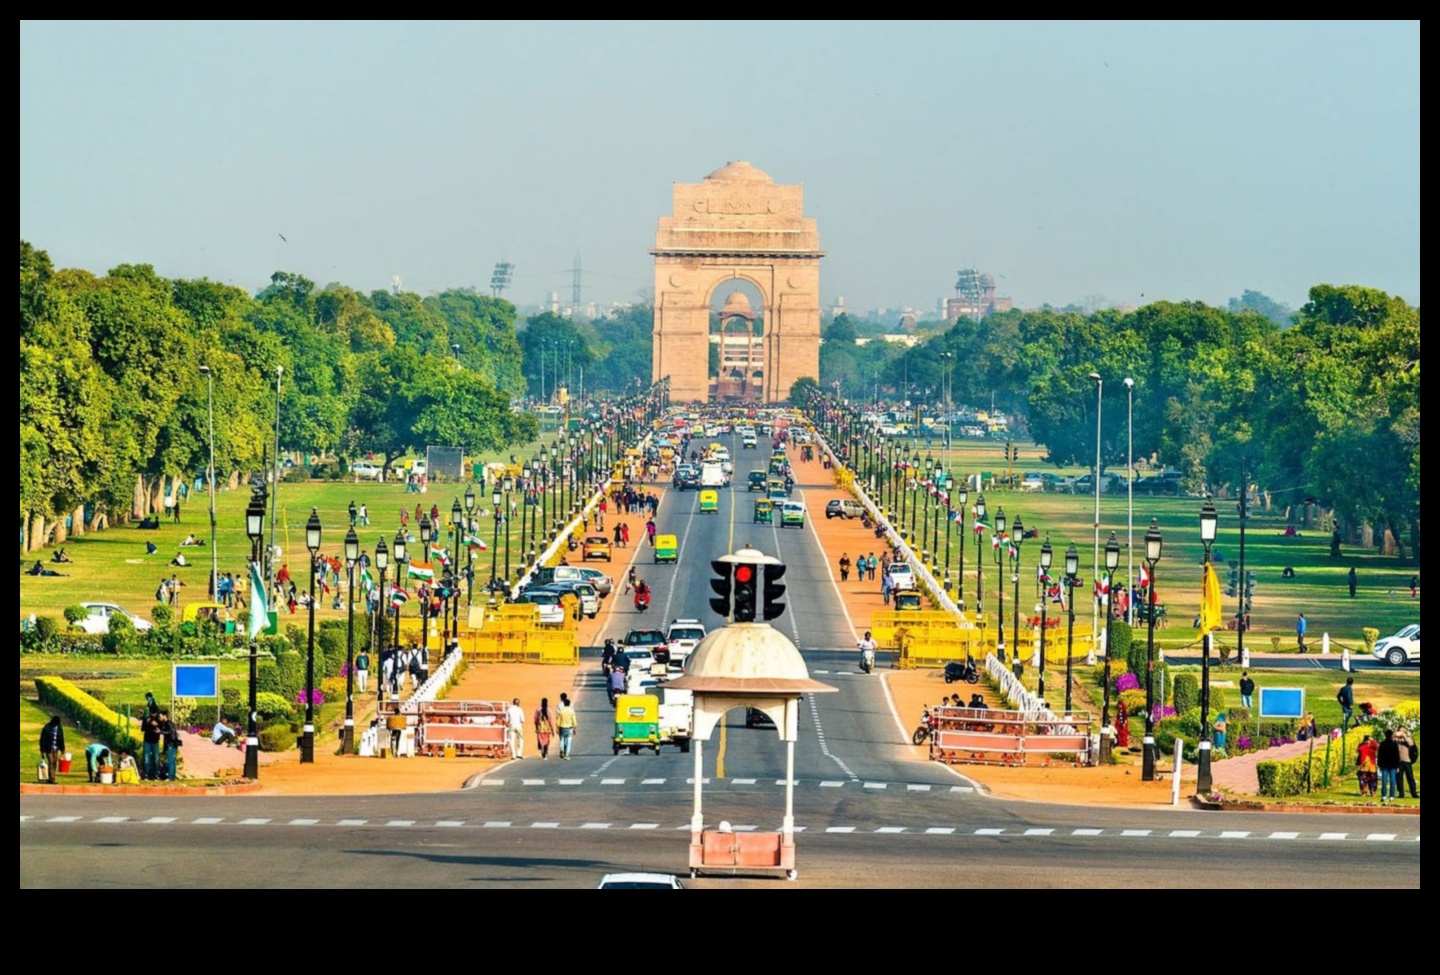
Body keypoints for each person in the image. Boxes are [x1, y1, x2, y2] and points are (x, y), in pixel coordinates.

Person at [1377, 729, 1401, 803]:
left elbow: (1379, 755)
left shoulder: (1382, 744)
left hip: (1384, 764)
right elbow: (1397, 756)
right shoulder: (1394, 744)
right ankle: (1391, 796)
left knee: (1384, 781)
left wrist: (1379, 765)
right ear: (1391, 735)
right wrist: (1398, 765)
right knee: (1392, 781)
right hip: (1393, 765)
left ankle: (1384, 796)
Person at [39, 715, 65, 783]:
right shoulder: (47, 728)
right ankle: (52, 778)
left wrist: (62, 748)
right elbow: (43, 739)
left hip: (56, 748)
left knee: (55, 762)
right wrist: (42, 750)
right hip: (48, 748)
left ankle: (51, 777)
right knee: (51, 762)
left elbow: (61, 738)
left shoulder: (59, 728)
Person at [1394, 728, 1419, 798]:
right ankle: (1401, 793)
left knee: (1410, 777)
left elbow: (1411, 744)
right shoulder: (1396, 740)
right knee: (1399, 778)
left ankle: (1414, 793)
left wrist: (1404, 735)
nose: (1401, 732)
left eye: (1402, 730)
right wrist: (1394, 735)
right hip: (1398, 762)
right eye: (1400, 730)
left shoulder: (1408, 738)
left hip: (1407, 761)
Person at [141, 709, 162, 781]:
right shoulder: (147, 719)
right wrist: (147, 722)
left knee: (156, 758)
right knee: (146, 758)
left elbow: (161, 727)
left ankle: (155, 774)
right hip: (147, 741)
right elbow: (143, 729)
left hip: (155, 741)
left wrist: (157, 724)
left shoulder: (159, 719)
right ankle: (146, 774)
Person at [555, 693, 578, 760]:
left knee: (562, 739)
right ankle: (566, 754)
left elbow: (557, 719)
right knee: (569, 741)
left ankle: (562, 750)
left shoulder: (561, 710)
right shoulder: (571, 711)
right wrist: (575, 728)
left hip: (562, 727)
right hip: (570, 727)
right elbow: (574, 720)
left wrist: (557, 728)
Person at [158, 710, 180, 781]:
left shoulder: (169, 724)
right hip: (169, 744)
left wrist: (161, 732)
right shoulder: (165, 724)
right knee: (171, 761)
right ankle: (172, 776)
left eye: (160, 716)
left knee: (171, 761)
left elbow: (170, 732)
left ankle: (171, 777)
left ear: (164, 716)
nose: (159, 718)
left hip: (171, 744)